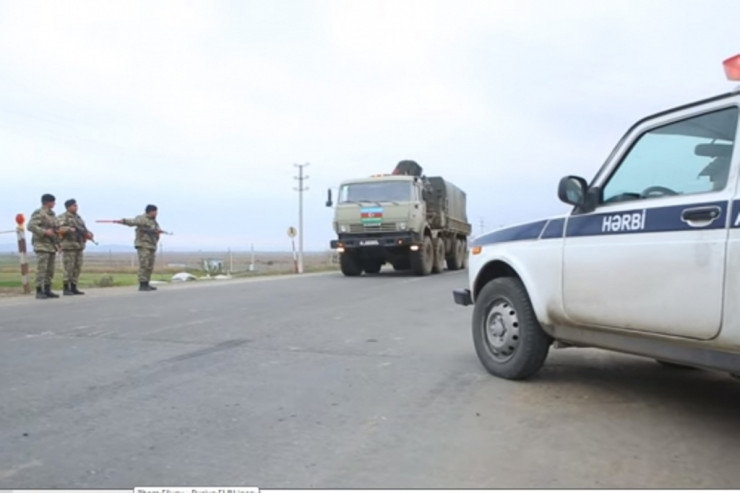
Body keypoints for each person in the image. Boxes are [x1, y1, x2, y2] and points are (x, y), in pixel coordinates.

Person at [114, 204, 162, 292]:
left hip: (151, 245)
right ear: (150, 211)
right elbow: (133, 222)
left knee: (149, 266)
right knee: (144, 264)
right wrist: (124, 221)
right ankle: (142, 284)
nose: (156, 213)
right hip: (143, 245)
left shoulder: (154, 222)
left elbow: (156, 230)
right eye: (155, 211)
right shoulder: (142, 219)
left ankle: (147, 282)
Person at [57, 198, 94, 295]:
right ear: (68, 207)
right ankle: (66, 288)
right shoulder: (63, 217)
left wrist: (89, 234)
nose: (76, 207)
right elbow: (58, 228)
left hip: (79, 246)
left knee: (77, 268)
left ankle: (74, 287)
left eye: (76, 205)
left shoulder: (78, 218)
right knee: (68, 268)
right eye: (74, 205)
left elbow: (84, 229)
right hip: (69, 246)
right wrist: (69, 229)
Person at [27, 193, 61, 299]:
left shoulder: (52, 215)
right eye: (53, 202)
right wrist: (44, 232)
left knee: (50, 270)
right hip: (42, 244)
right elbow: (31, 226)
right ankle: (39, 290)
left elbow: (55, 230)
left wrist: (58, 244)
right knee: (42, 269)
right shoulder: (39, 213)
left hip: (51, 245)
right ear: (47, 202)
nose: (54, 204)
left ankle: (47, 289)